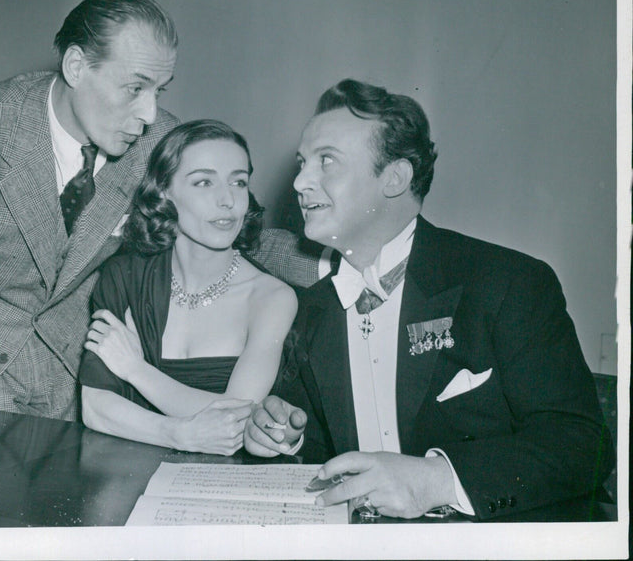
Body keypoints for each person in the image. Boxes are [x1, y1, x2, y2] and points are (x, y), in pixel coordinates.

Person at [0, 0, 318, 489]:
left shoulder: (154, 143)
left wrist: (347, 260)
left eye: (161, 89)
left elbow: (233, 225)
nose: (151, 114)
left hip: (71, 390)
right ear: (75, 66)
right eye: (134, 87)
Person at [244, 79, 615, 520]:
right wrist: (284, 434)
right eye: (304, 163)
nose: (301, 181)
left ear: (396, 178)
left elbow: (581, 444)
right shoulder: (313, 309)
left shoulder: (508, 282)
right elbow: (319, 440)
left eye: (327, 162)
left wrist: (437, 479)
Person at [79, 120, 298, 455]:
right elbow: (96, 407)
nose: (227, 200)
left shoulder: (272, 297)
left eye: (238, 182)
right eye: (204, 182)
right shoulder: (123, 274)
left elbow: (238, 421)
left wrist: (134, 369)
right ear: (165, 191)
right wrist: (178, 434)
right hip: (126, 469)